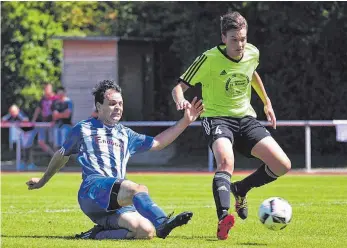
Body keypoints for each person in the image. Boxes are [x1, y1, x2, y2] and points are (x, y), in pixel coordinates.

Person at [26, 80, 204, 240]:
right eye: (112, 104)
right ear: (99, 106)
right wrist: (43, 181)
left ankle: (96, 234)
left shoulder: (126, 134)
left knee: (145, 231)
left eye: (120, 103)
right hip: (92, 190)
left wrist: (185, 122)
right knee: (137, 189)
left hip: (116, 201)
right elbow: (61, 155)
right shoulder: (84, 128)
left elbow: (157, 143)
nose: (118, 107)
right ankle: (162, 221)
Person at [172, 11, 291, 240]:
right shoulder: (208, 59)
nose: (240, 44)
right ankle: (223, 218)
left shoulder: (252, 52)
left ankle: (241, 189)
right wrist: (181, 101)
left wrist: (266, 102)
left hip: (246, 118)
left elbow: (252, 73)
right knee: (226, 162)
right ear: (223, 37)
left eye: (243, 39)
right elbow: (178, 87)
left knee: (282, 165)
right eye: (234, 39)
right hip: (216, 118)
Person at [2, 104, 37, 170]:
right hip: (22, 133)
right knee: (22, 148)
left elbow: (25, 120)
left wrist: (18, 118)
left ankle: (30, 164)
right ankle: (24, 163)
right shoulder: (11, 115)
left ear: (17, 110)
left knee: (28, 148)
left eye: (14, 112)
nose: (13, 113)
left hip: (29, 132)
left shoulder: (20, 114)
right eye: (11, 112)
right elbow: (3, 119)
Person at [31, 83, 56, 156]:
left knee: (54, 142)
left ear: (51, 89)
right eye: (45, 89)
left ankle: (59, 159)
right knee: (40, 141)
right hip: (44, 122)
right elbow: (38, 109)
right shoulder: (43, 99)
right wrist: (33, 119)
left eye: (48, 88)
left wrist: (55, 120)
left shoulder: (55, 98)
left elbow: (57, 110)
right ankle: (52, 155)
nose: (46, 90)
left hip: (53, 123)